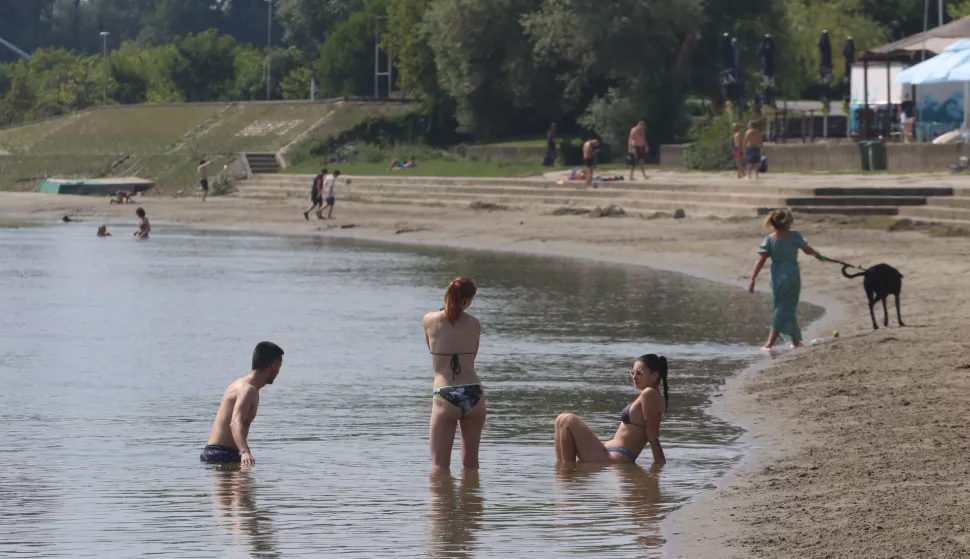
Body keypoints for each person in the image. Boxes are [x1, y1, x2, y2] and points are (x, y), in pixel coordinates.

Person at [554, 354, 668, 465]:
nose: (634, 377)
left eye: (639, 373)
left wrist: (659, 466)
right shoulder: (649, 395)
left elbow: (652, 434)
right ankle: (562, 472)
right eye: (633, 373)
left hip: (616, 458)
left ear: (654, 376)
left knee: (568, 420)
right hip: (609, 452)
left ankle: (566, 472)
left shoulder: (649, 393)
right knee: (560, 419)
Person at [424, 277, 484, 474]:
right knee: (471, 465)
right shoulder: (475, 324)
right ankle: (472, 501)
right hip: (473, 392)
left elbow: (430, 350)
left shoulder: (429, 320)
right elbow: (473, 355)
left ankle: (443, 503)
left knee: (439, 467)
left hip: (445, 393)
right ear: (468, 300)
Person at [748, 209, 824, 350]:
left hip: (776, 275)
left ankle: (795, 341)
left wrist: (753, 278)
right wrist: (817, 255)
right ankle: (769, 344)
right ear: (788, 222)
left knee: (783, 306)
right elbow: (807, 250)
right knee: (785, 307)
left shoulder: (769, 239)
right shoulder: (794, 235)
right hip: (791, 275)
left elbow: (761, 259)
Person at [200, 341, 285, 465]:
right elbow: (235, 422)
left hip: (214, 452)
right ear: (274, 366)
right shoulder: (248, 389)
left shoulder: (241, 384)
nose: (278, 372)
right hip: (223, 454)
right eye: (279, 367)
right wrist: (245, 452)